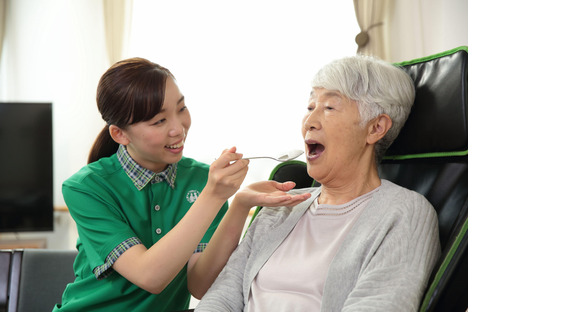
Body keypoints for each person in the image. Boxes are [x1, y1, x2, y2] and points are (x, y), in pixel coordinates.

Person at [53, 57, 310, 312]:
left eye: (181, 109)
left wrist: (238, 205)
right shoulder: (85, 188)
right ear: (120, 134)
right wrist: (212, 196)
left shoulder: (201, 180)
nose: (178, 128)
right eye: (159, 121)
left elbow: (199, 285)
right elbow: (149, 276)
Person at [195, 55, 441, 311]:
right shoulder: (278, 207)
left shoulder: (404, 213)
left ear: (375, 128)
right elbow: (222, 296)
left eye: (330, 108)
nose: (309, 122)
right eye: (311, 107)